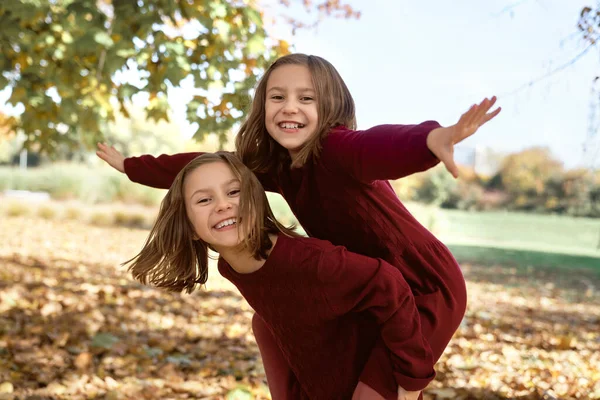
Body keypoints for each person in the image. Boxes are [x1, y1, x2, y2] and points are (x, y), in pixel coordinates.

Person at [97, 53, 501, 399]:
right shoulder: (275, 166)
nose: (290, 107)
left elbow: (379, 145)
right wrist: (133, 167)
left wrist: (430, 140)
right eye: (278, 97)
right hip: (367, 285)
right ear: (263, 107)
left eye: (306, 98)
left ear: (329, 109)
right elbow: (205, 165)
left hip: (425, 283)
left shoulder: (338, 149)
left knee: (390, 379)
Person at [125, 151, 435, 399]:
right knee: (263, 323)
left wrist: (411, 378)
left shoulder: (311, 262)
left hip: (376, 383)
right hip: (320, 383)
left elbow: (388, 283)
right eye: (204, 200)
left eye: (234, 192)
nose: (223, 205)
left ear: (257, 202)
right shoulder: (232, 266)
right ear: (190, 228)